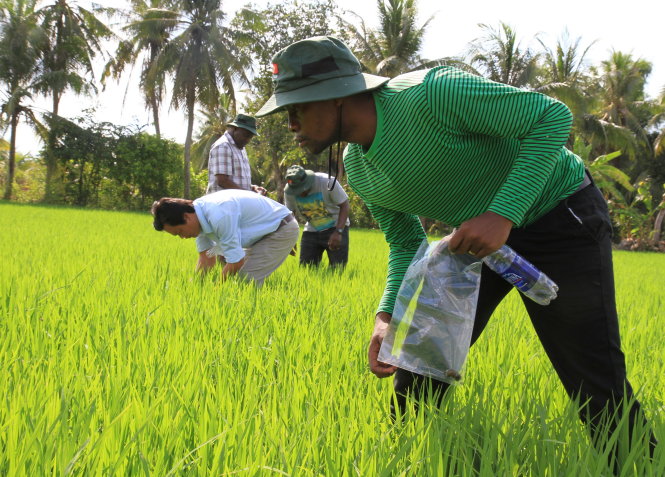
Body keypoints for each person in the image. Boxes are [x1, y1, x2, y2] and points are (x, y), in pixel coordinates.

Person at [256, 36, 657, 458]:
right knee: (419, 359)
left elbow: (551, 117)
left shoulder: (433, 94)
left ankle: (638, 463)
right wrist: (386, 314)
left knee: (590, 373)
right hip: (477, 239)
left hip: (559, 216)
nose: (291, 125)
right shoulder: (359, 168)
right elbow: (406, 241)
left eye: (296, 109)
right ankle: (406, 459)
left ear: (336, 96)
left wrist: (503, 214)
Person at [151, 189, 298, 286]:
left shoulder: (219, 214)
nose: (182, 237)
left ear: (186, 217)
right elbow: (206, 259)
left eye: (179, 232)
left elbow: (236, 261)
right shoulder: (199, 216)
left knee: (246, 280)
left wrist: (217, 290)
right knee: (241, 280)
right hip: (264, 232)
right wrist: (194, 286)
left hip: (280, 229)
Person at [283, 165, 350, 269]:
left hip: (336, 226)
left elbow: (344, 205)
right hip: (312, 228)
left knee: (337, 269)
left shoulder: (327, 182)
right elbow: (290, 215)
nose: (300, 193)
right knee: (306, 269)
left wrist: (339, 232)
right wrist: (290, 239)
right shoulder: (289, 192)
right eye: (296, 191)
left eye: (302, 190)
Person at [206, 113, 266, 195]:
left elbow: (237, 181)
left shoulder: (241, 147)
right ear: (234, 128)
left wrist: (252, 188)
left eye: (250, 137)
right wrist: (250, 195)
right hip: (223, 204)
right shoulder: (223, 146)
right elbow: (223, 181)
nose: (248, 140)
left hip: (236, 203)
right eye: (245, 135)